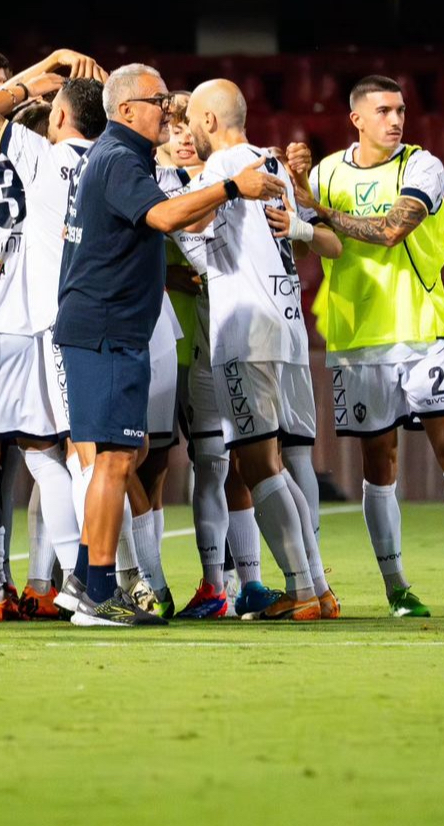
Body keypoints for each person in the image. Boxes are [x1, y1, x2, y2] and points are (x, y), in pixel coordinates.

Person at [54, 63, 288, 628]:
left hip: (101, 325)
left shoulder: (117, 156)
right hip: (109, 327)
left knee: (119, 457)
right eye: (158, 101)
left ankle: (83, 580)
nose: (168, 110)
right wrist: (231, 187)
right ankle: (99, 594)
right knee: (114, 459)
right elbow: (162, 216)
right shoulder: (119, 157)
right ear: (125, 109)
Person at [288, 74, 444, 618]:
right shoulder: (327, 172)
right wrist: (296, 204)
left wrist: (318, 208)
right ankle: (397, 589)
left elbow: (391, 230)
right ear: (356, 119)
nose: (396, 120)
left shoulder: (422, 166)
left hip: (419, 330)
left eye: (401, 110)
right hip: (356, 337)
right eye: (384, 111)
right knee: (378, 461)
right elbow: (314, 248)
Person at [0, 76, 107, 622]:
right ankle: (98, 579)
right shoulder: (114, 161)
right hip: (100, 318)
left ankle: (79, 584)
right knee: (72, 455)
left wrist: (27, 85)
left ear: (59, 117)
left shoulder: (40, 155)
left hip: (35, 324)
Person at [186, 79, 340, 622]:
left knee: (257, 464)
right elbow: (312, 240)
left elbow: (191, 223)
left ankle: (301, 589)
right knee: (280, 463)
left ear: (209, 121)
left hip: (245, 332)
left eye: (191, 122)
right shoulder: (272, 166)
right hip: (289, 328)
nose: (188, 132)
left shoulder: (222, 169)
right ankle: (318, 586)